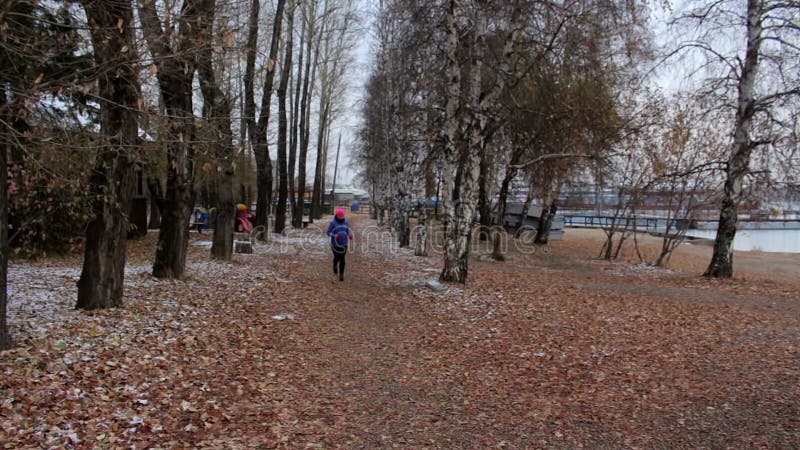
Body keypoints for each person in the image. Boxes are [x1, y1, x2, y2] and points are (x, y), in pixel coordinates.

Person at [326, 208, 354, 281]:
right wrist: (335, 236)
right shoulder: (333, 223)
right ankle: (335, 265)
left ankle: (341, 275)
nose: (341, 217)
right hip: (335, 244)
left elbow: (347, 230)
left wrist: (350, 235)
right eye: (340, 216)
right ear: (337, 215)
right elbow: (328, 232)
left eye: (342, 215)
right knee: (337, 257)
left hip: (344, 243)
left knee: (342, 259)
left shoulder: (346, 222)